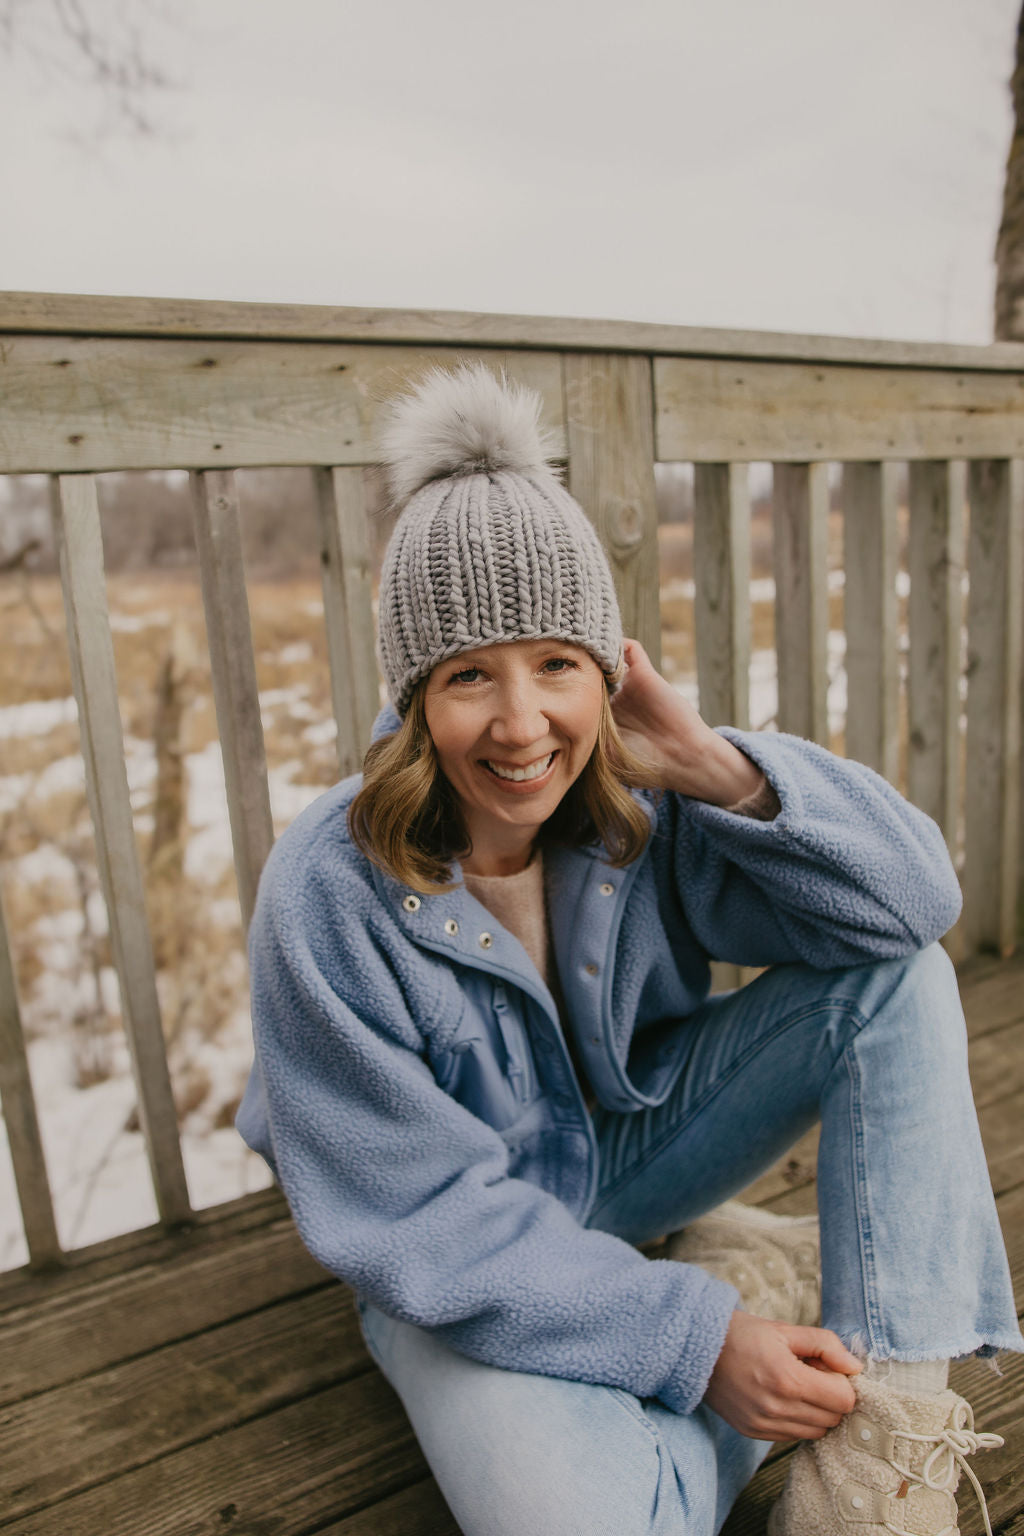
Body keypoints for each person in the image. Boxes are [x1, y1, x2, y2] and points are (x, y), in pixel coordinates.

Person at [237, 364, 1021, 1536]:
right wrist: (701, 1341)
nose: (520, 724)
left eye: (557, 663)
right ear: (412, 700)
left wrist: (723, 770)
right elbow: (420, 1226)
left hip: (635, 1155)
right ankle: (736, 1291)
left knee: (892, 983)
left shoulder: (646, 809)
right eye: (468, 678)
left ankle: (873, 1476)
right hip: (456, 1258)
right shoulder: (326, 891)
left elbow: (910, 906)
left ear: (610, 674)